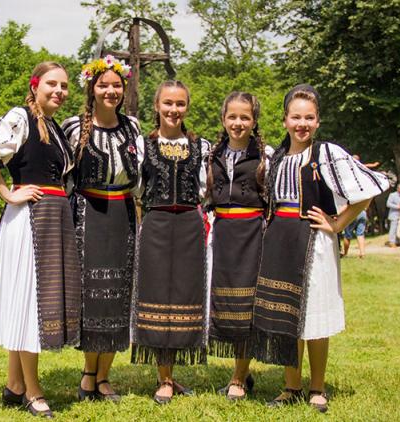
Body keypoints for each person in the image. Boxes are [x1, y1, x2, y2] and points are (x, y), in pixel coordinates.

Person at [0, 61, 81, 418]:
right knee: (31, 302)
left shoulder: (53, 127)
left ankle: (14, 383)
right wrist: (7, 193)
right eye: (52, 84)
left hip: (52, 218)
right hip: (29, 220)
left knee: (31, 300)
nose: (59, 91)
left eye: (64, 86)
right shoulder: (20, 117)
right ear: (35, 85)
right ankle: (32, 390)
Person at [252, 84, 389, 413]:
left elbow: (369, 188)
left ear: (318, 121)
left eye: (309, 118)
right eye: (296, 117)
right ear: (285, 120)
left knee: (313, 314)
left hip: (314, 241)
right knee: (287, 315)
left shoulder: (326, 153)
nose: (302, 124)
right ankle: (291, 386)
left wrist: (338, 223)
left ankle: (316, 387)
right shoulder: (277, 157)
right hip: (280, 240)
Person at [62, 55, 138, 402]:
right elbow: (61, 176)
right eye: (103, 85)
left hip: (122, 214)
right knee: (93, 295)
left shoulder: (132, 127)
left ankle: (104, 376)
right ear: (91, 88)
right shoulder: (74, 127)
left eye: (116, 85)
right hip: (87, 214)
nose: (110, 91)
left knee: (118, 295)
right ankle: (88, 372)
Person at [131, 80, 210, 404]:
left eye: (180, 104)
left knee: (183, 296)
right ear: (157, 106)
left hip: (190, 224)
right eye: (168, 103)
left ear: (186, 107)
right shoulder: (143, 145)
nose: (173, 109)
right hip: (157, 223)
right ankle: (163, 378)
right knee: (157, 297)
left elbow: (205, 189)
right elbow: (136, 187)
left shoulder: (201, 146)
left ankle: (171, 374)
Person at [205, 92, 271, 400]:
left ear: (254, 121)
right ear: (223, 119)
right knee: (225, 303)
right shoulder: (212, 154)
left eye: (245, 117)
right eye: (232, 116)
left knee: (246, 305)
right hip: (221, 233)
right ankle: (242, 370)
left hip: (252, 234)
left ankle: (238, 377)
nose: (238, 123)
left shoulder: (266, 156)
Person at [386, 183, 400, 247]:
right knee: (393, 229)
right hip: (394, 214)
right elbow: (388, 204)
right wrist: (398, 207)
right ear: (397, 189)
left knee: (399, 229)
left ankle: (398, 241)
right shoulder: (392, 195)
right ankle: (391, 242)